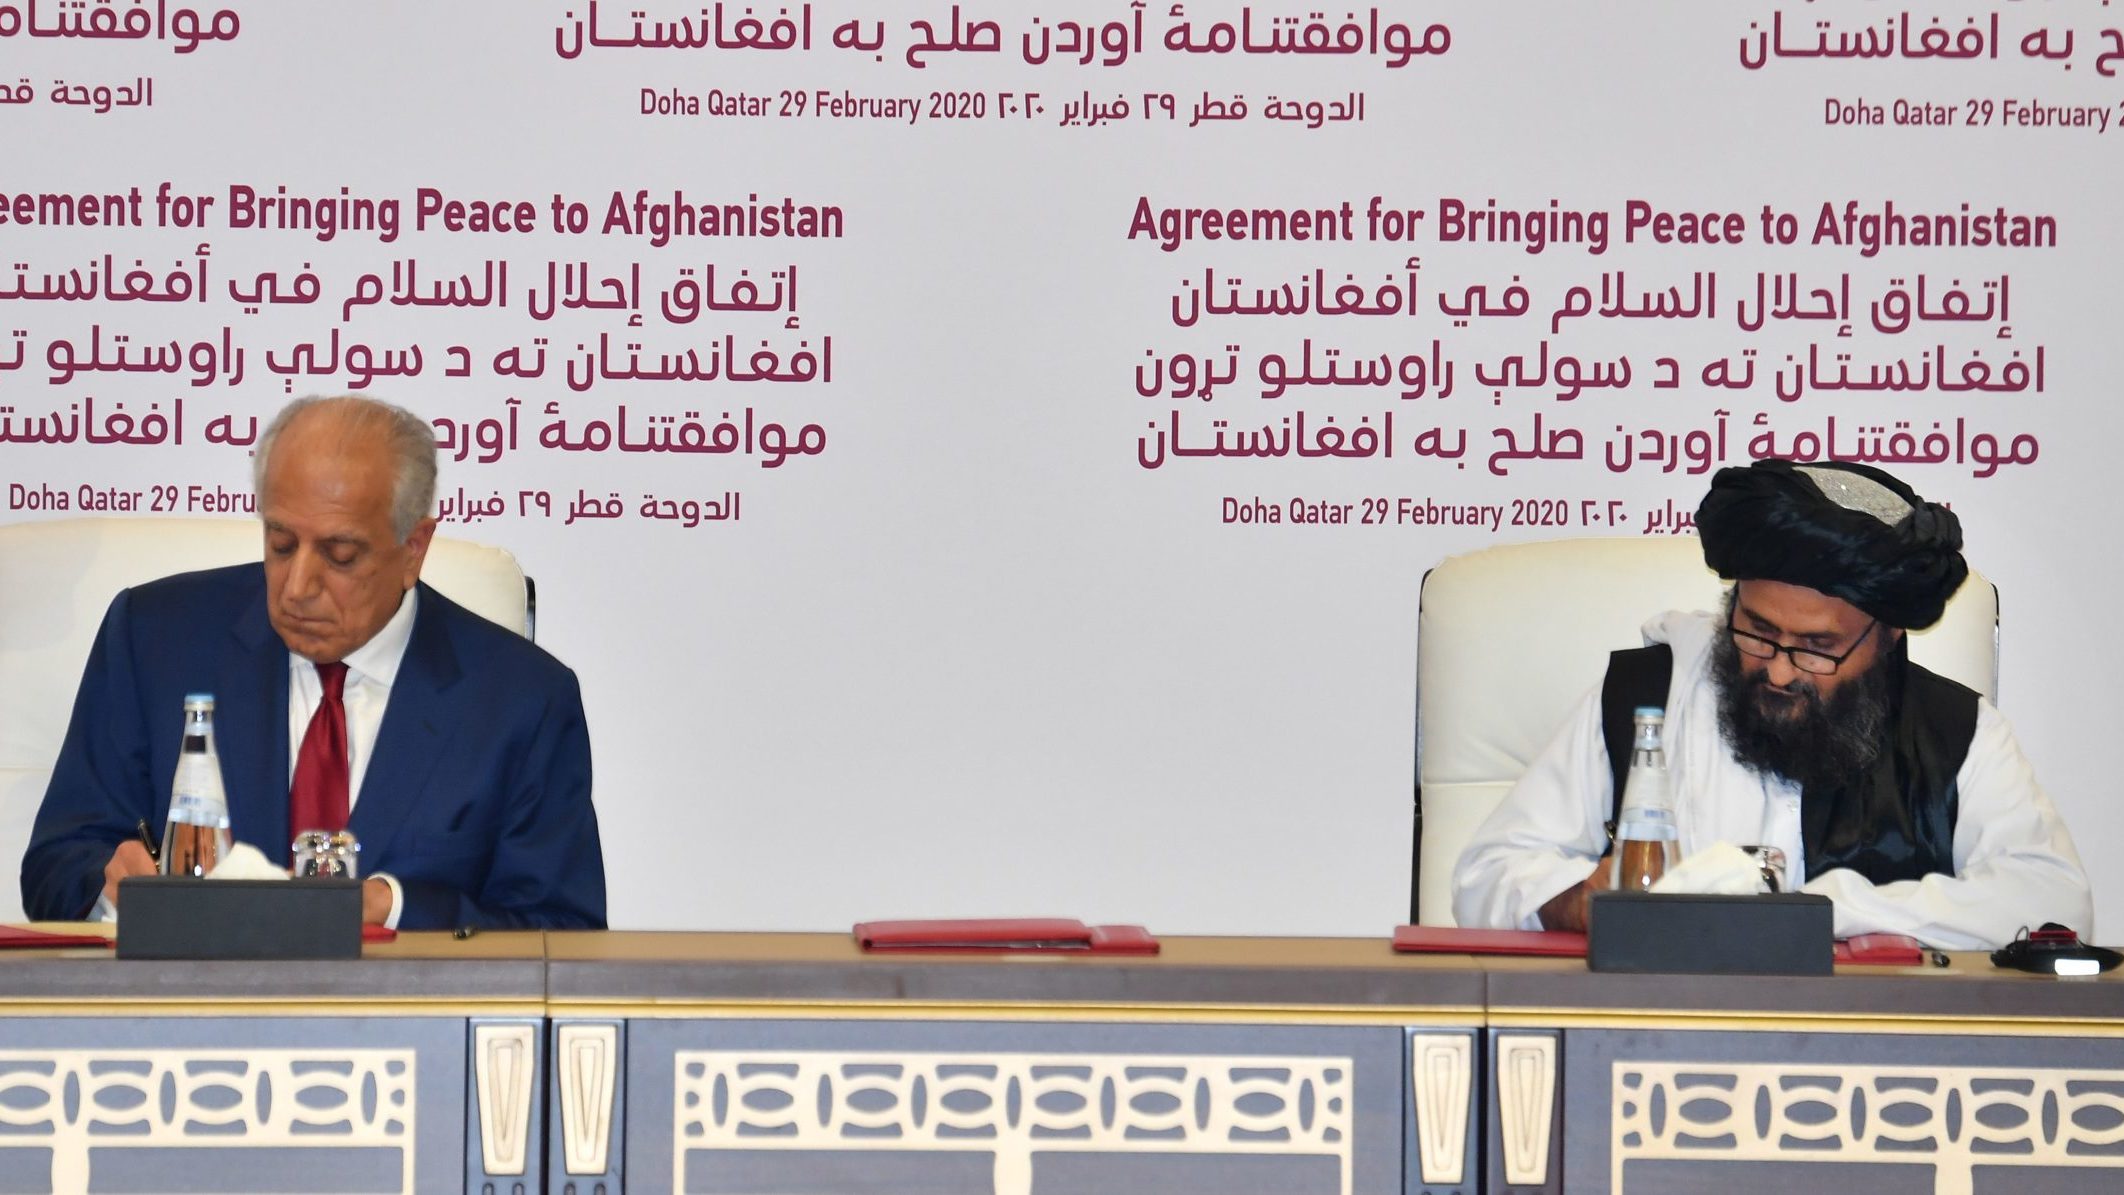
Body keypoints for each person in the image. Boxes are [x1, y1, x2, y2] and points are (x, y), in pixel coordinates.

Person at [21, 395, 606, 930]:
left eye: (340, 555)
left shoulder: (522, 699)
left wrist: (395, 909)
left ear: (413, 551)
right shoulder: (156, 641)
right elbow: (56, 866)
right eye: (280, 545)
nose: (298, 586)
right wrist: (110, 888)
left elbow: (562, 932)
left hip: (408, 1030)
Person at [1452, 459, 2088, 950]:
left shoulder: (1959, 732)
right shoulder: (1646, 697)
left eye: (1818, 648)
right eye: (1756, 631)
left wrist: (1818, 912)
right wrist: (1577, 902)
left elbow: (2053, 902)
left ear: (1889, 635)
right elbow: (1487, 877)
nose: (1779, 669)